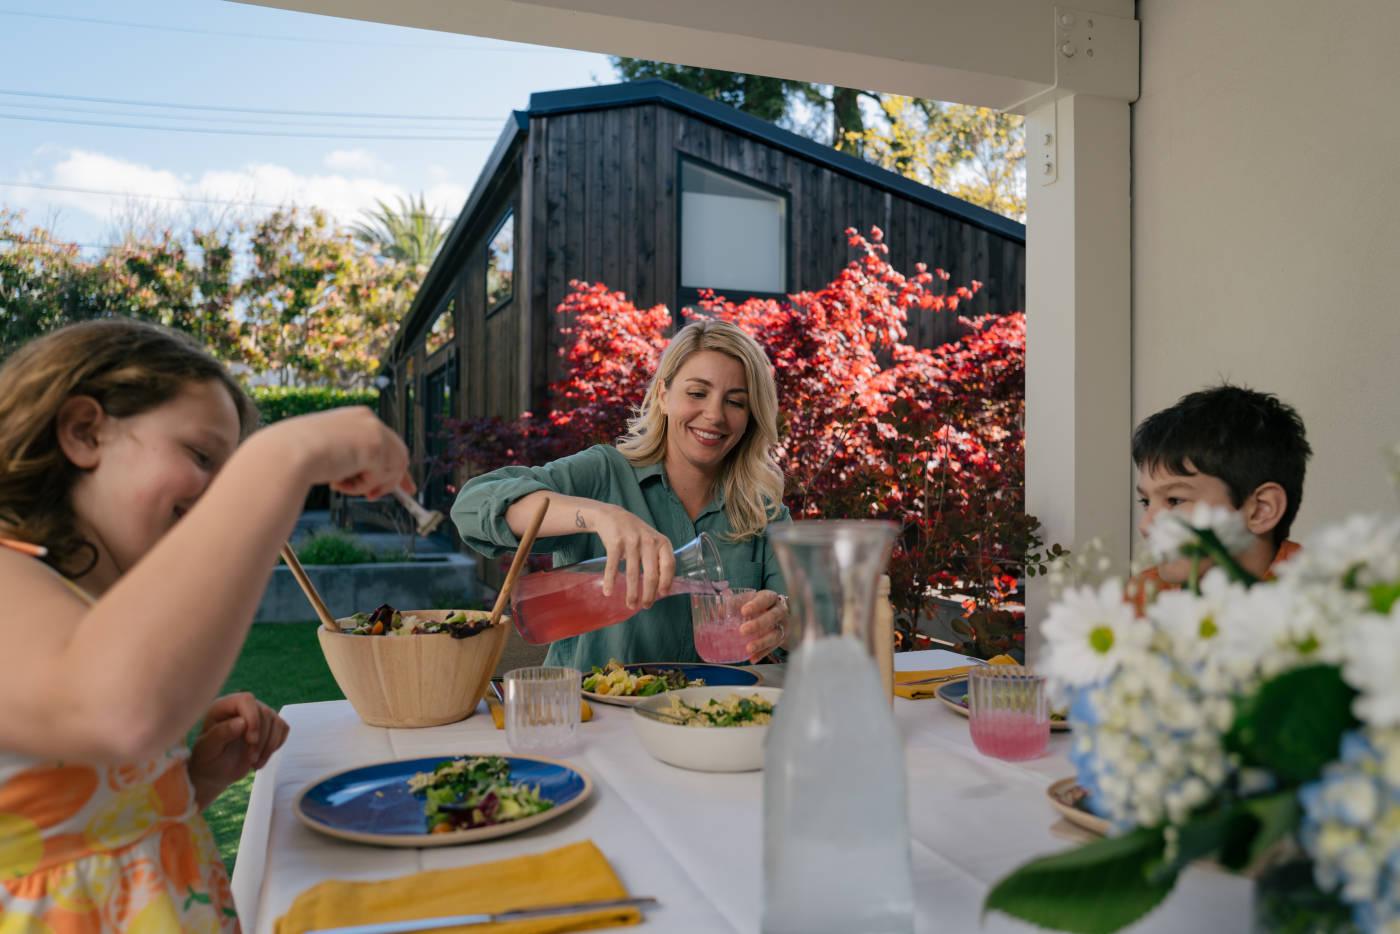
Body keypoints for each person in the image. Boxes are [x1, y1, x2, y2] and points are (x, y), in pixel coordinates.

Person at [0, 319, 410, 930]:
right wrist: (284, 455)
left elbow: (95, 822)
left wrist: (191, 781)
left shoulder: (82, 612)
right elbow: (110, 713)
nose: (221, 494)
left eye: (233, 469)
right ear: (85, 432)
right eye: (200, 455)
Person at [452, 318, 791, 672]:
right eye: (696, 393)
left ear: (751, 416)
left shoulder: (763, 512)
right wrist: (598, 515)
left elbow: (812, 627)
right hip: (597, 717)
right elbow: (472, 507)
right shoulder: (604, 474)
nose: (714, 415)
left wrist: (781, 624)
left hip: (715, 720)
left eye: (735, 402)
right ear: (663, 394)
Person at [1130, 383, 1311, 608]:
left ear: (1262, 509)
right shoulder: (1140, 599)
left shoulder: (1326, 598)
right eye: (1146, 502)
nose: (1146, 526)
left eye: (1175, 500)